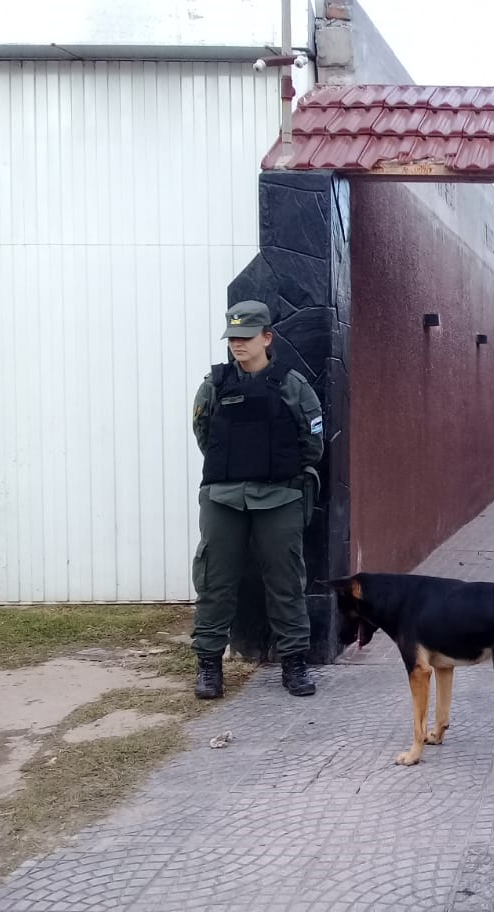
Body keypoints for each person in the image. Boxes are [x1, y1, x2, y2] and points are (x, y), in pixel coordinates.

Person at [190, 300, 325, 699]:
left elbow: (312, 443)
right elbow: (204, 435)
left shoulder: (292, 385)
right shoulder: (213, 385)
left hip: (279, 495)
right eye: (232, 337)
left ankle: (294, 662)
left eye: (246, 337)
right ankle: (209, 664)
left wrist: (276, 469)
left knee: (286, 580)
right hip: (223, 496)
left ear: (267, 337)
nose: (237, 344)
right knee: (214, 581)